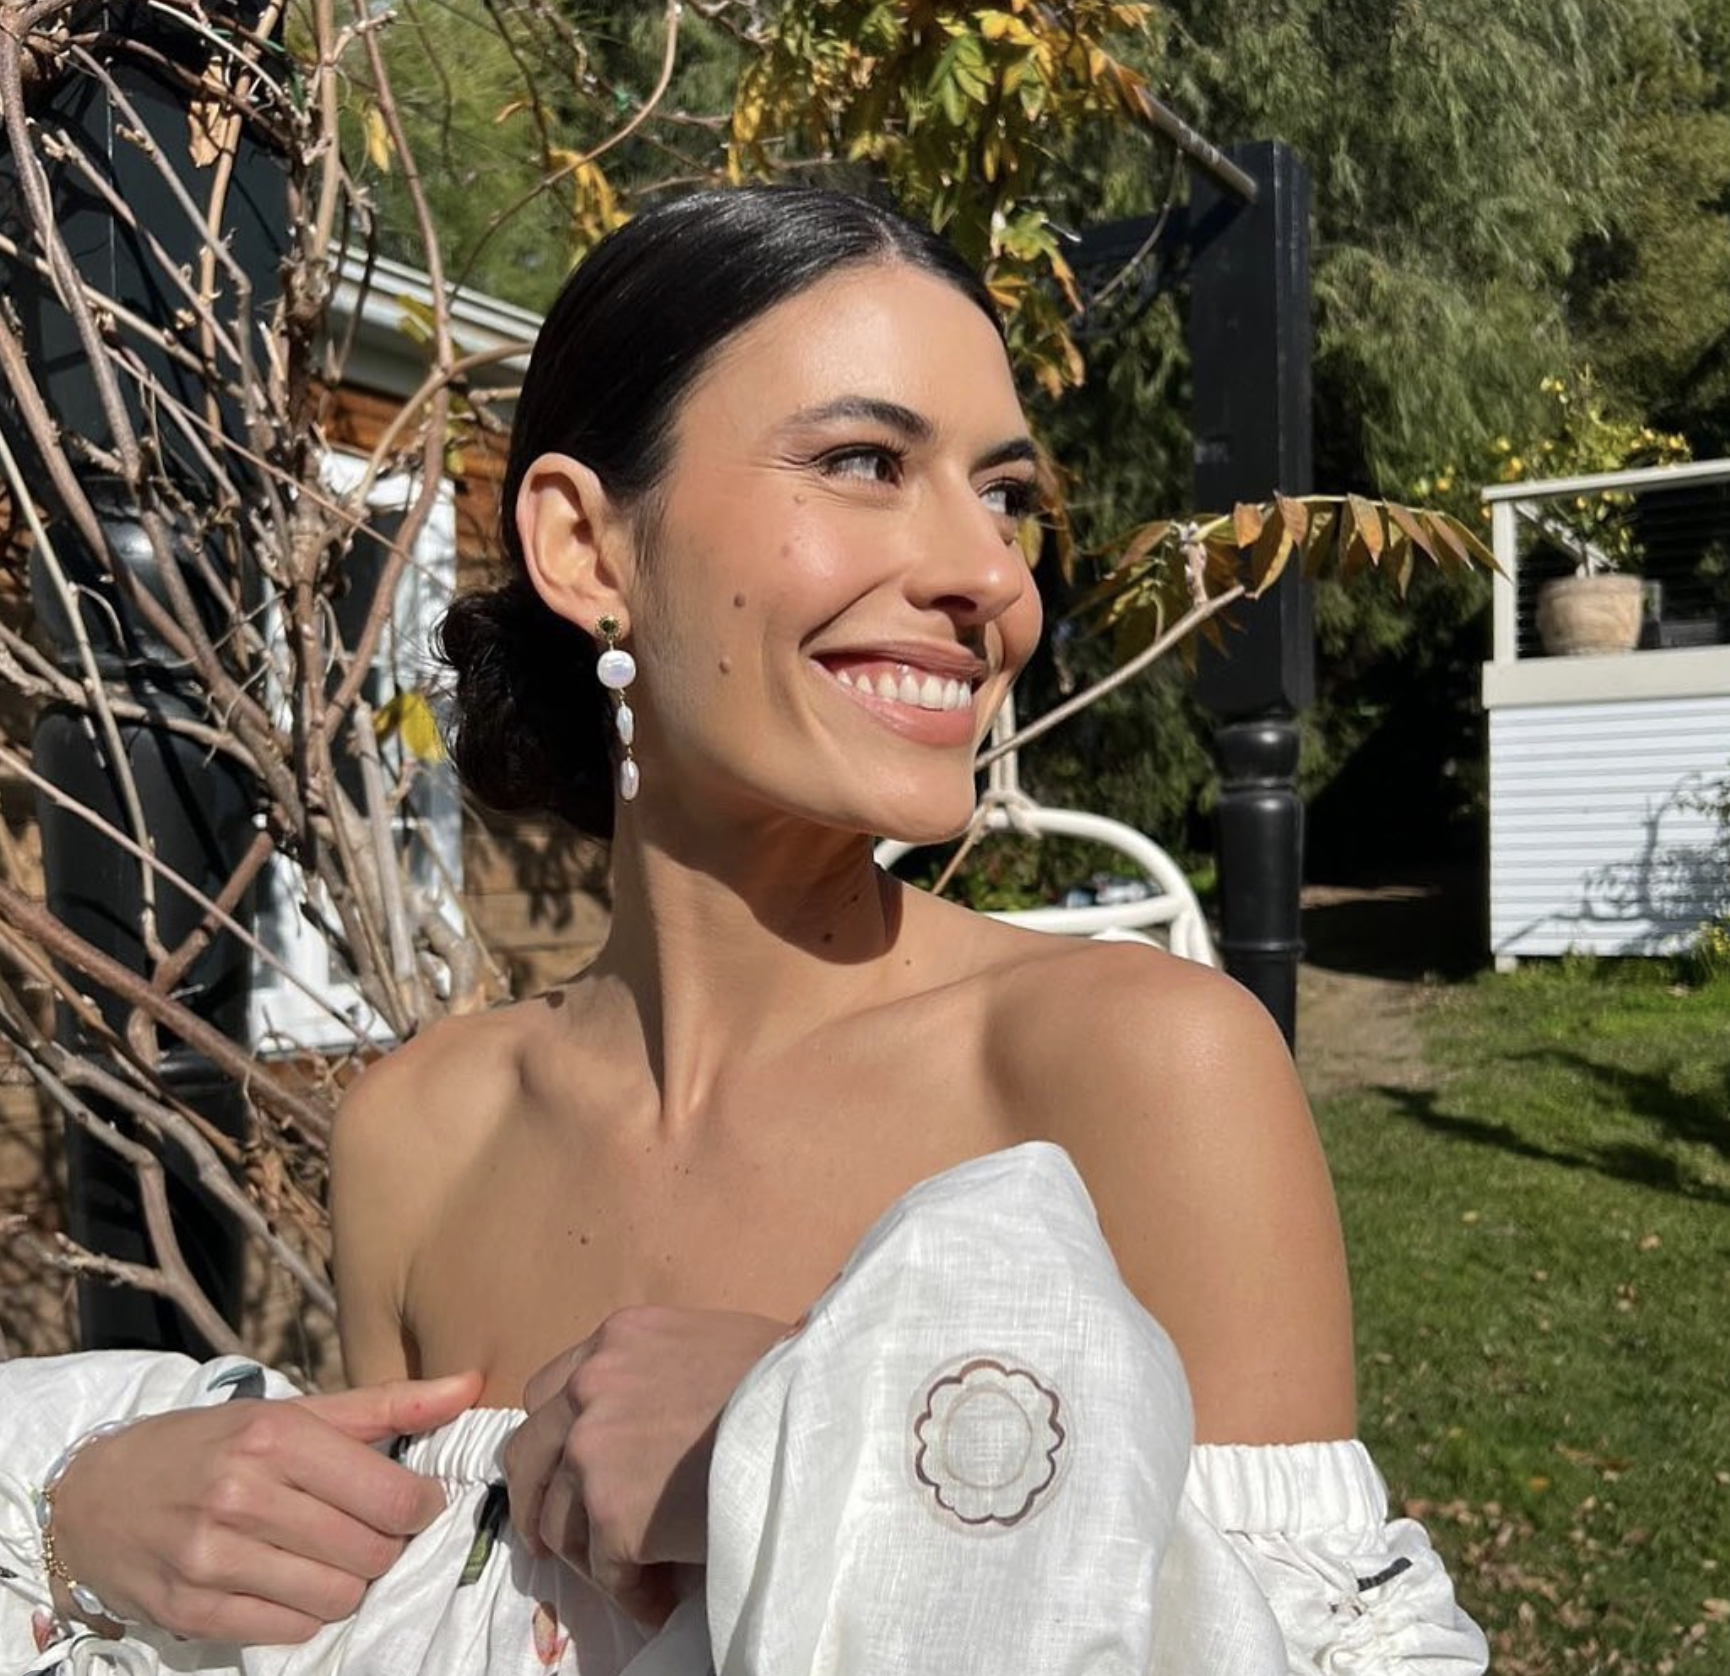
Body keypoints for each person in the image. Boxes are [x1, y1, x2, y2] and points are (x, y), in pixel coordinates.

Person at [1, 186, 1488, 1673]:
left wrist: (813, 1460)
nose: (992, 577)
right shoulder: (418, 1133)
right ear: (585, 549)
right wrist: (91, 1534)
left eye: (1006, 494)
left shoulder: (1138, 1068)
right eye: (862, 461)